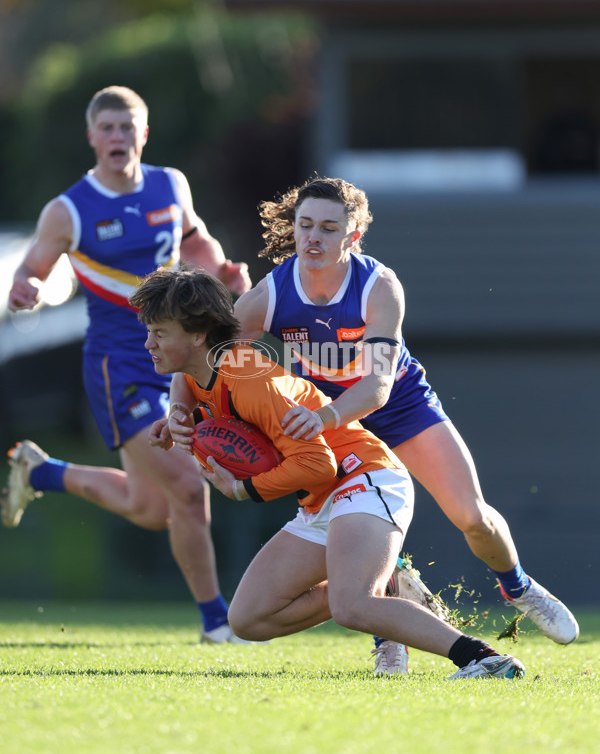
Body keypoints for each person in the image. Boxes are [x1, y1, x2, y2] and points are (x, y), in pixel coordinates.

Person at [232, 175, 579, 656]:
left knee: (472, 516)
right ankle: (387, 629)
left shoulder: (379, 286)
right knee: (349, 529)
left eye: (329, 228)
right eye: (305, 224)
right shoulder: (267, 295)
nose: (313, 237)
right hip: (335, 422)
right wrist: (182, 411)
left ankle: (518, 586)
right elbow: (215, 360)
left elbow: (375, 389)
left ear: (353, 236)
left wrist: (324, 417)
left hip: (396, 406)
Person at [130, 264, 526, 680]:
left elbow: (320, 464)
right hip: (323, 499)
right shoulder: (203, 370)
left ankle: (482, 658)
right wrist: (177, 415)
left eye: (160, 332)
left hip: (365, 477)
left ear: (197, 336)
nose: (149, 343)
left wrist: (244, 489)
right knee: (248, 619)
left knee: (352, 605)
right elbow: (190, 388)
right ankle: (390, 587)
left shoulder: (249, 380)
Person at [2, 85, 251, 643]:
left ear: (144, 133)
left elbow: (196, 241)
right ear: (92, 137)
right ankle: (217, 623)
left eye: (127, 126)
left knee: (150, 507)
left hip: (178, 361)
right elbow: (34, 268)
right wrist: (27, 288)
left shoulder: (170, 184)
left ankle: (40, 472)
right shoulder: (69, 209)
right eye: (107, 128)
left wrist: (224, 275)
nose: (117, 137)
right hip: (119, 366)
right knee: (189, 490)